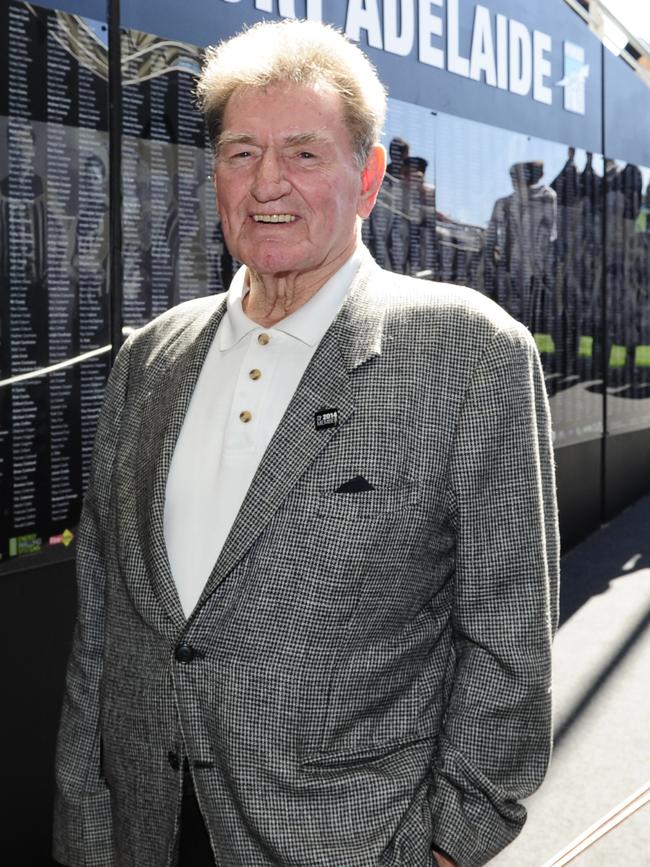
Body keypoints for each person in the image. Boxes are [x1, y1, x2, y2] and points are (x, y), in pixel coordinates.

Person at [53, 19, 559, 867]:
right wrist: (83, 830)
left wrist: (448, 843)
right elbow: (100, 627)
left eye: (305, 153)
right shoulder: (150, 356)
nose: (267, 184)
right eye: (241, 152)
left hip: (351, 843)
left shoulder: (469, 353)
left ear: (368, 178)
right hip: (146, 836)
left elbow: (509, 637)